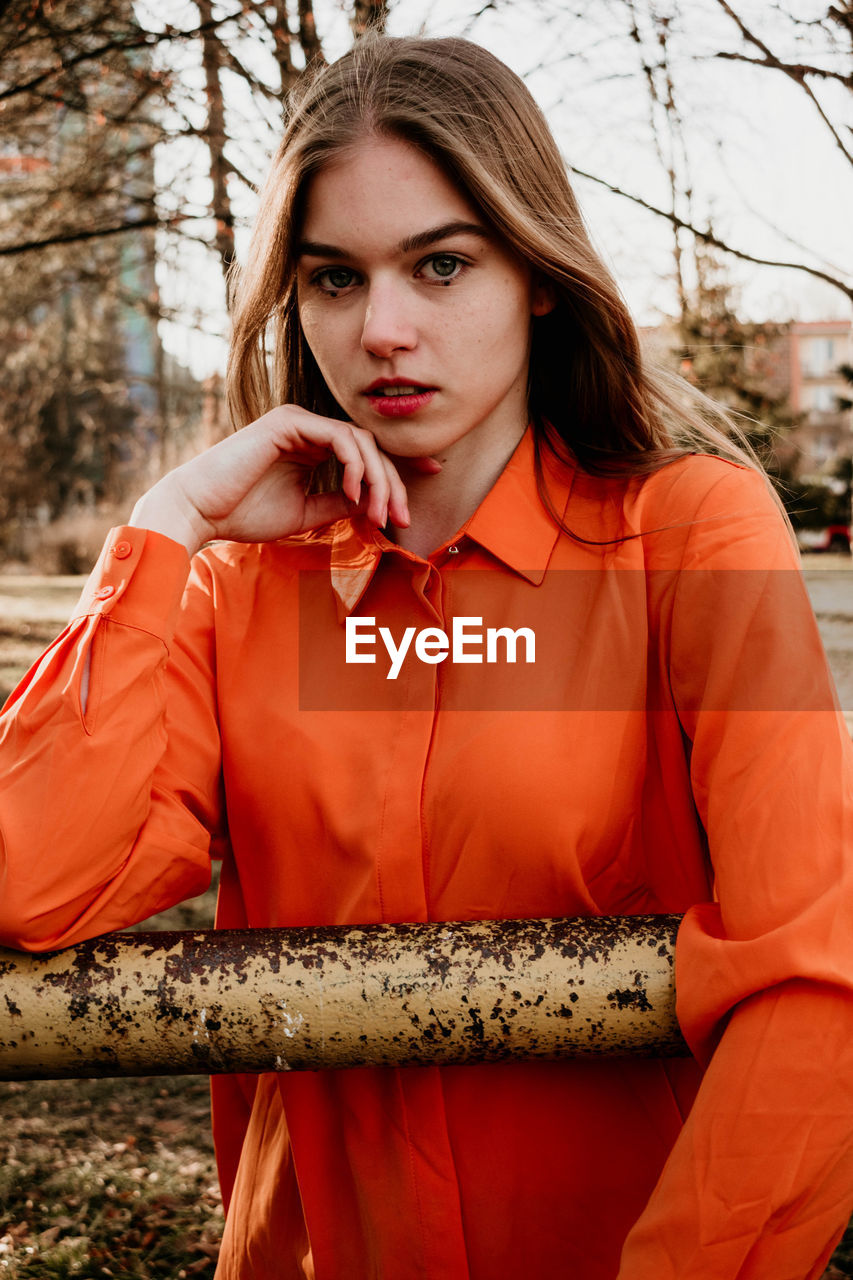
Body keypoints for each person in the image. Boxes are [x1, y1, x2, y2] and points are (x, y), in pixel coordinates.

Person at [1, 33, 852, 1280]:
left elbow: (813, 977)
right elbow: (30, 878)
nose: (383, 329)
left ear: (538, 274)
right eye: (334, 279)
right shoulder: (240, 583)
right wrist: (168, 528)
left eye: (440, 265)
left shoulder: (690, 536)